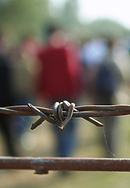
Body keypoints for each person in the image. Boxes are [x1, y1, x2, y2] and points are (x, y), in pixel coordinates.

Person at [36, 24, 83, 157]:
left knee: (56, 124)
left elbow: (40, 75)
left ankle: (61, 154)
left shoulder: (43, 51)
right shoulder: (66, 49)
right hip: (69, 93)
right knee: (70, 124)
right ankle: (66, 155)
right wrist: (77, 89)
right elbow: (72, 72)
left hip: (51, 94)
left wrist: (41, 91)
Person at [93, 38, 123, 157]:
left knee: (103, 123)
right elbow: (122, 77)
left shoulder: (101, 60)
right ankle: (113, 150)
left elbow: (94, 79)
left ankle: (105, 149)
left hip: (101, 95)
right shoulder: (117, 59)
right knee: (113, 124)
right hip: (113, 95)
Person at [0, 29, 17, 156]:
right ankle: (13, 156)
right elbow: (8, 84)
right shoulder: (5, 60)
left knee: (8, 133)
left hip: (5, 103)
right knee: (8, 132)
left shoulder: (5, 58)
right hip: (4, 102)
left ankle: (12, 156)